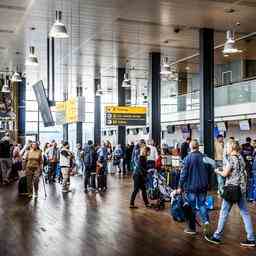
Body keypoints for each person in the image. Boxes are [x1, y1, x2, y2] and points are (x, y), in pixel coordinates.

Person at [206, 140, 255, 247]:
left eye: (227, 147)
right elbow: (240, 172)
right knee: (245, 214)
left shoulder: (231, 159)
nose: (226, 149)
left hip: (231, 190)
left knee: (223, 213)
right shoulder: (241, 158)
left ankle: (216, 237)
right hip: (241, 190)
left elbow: (224, 174)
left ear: (232, 147)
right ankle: (251, 238)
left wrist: (217, 171)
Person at [176, 139, 210, 237]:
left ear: (190, 147)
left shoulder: (187, 158)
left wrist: (180, 186)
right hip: (203, 186)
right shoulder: (204, 157)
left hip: (191, 187)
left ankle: (192, 228)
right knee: (202, 204)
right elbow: (210, 170)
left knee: (191, 207)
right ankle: (206, 222)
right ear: (198, 147)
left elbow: (183, 174)